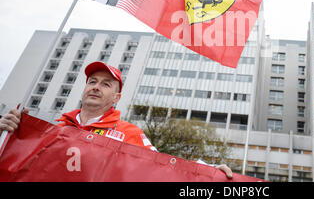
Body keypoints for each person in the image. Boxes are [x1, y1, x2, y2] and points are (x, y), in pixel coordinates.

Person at [0, 61, 233, 179]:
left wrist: (210, 172)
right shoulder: (56, 128)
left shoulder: (128, 132)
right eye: (92, 81)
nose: (96, 87)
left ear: (116, 97)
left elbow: (164, 165)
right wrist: (6, 134)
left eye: (105, 84)